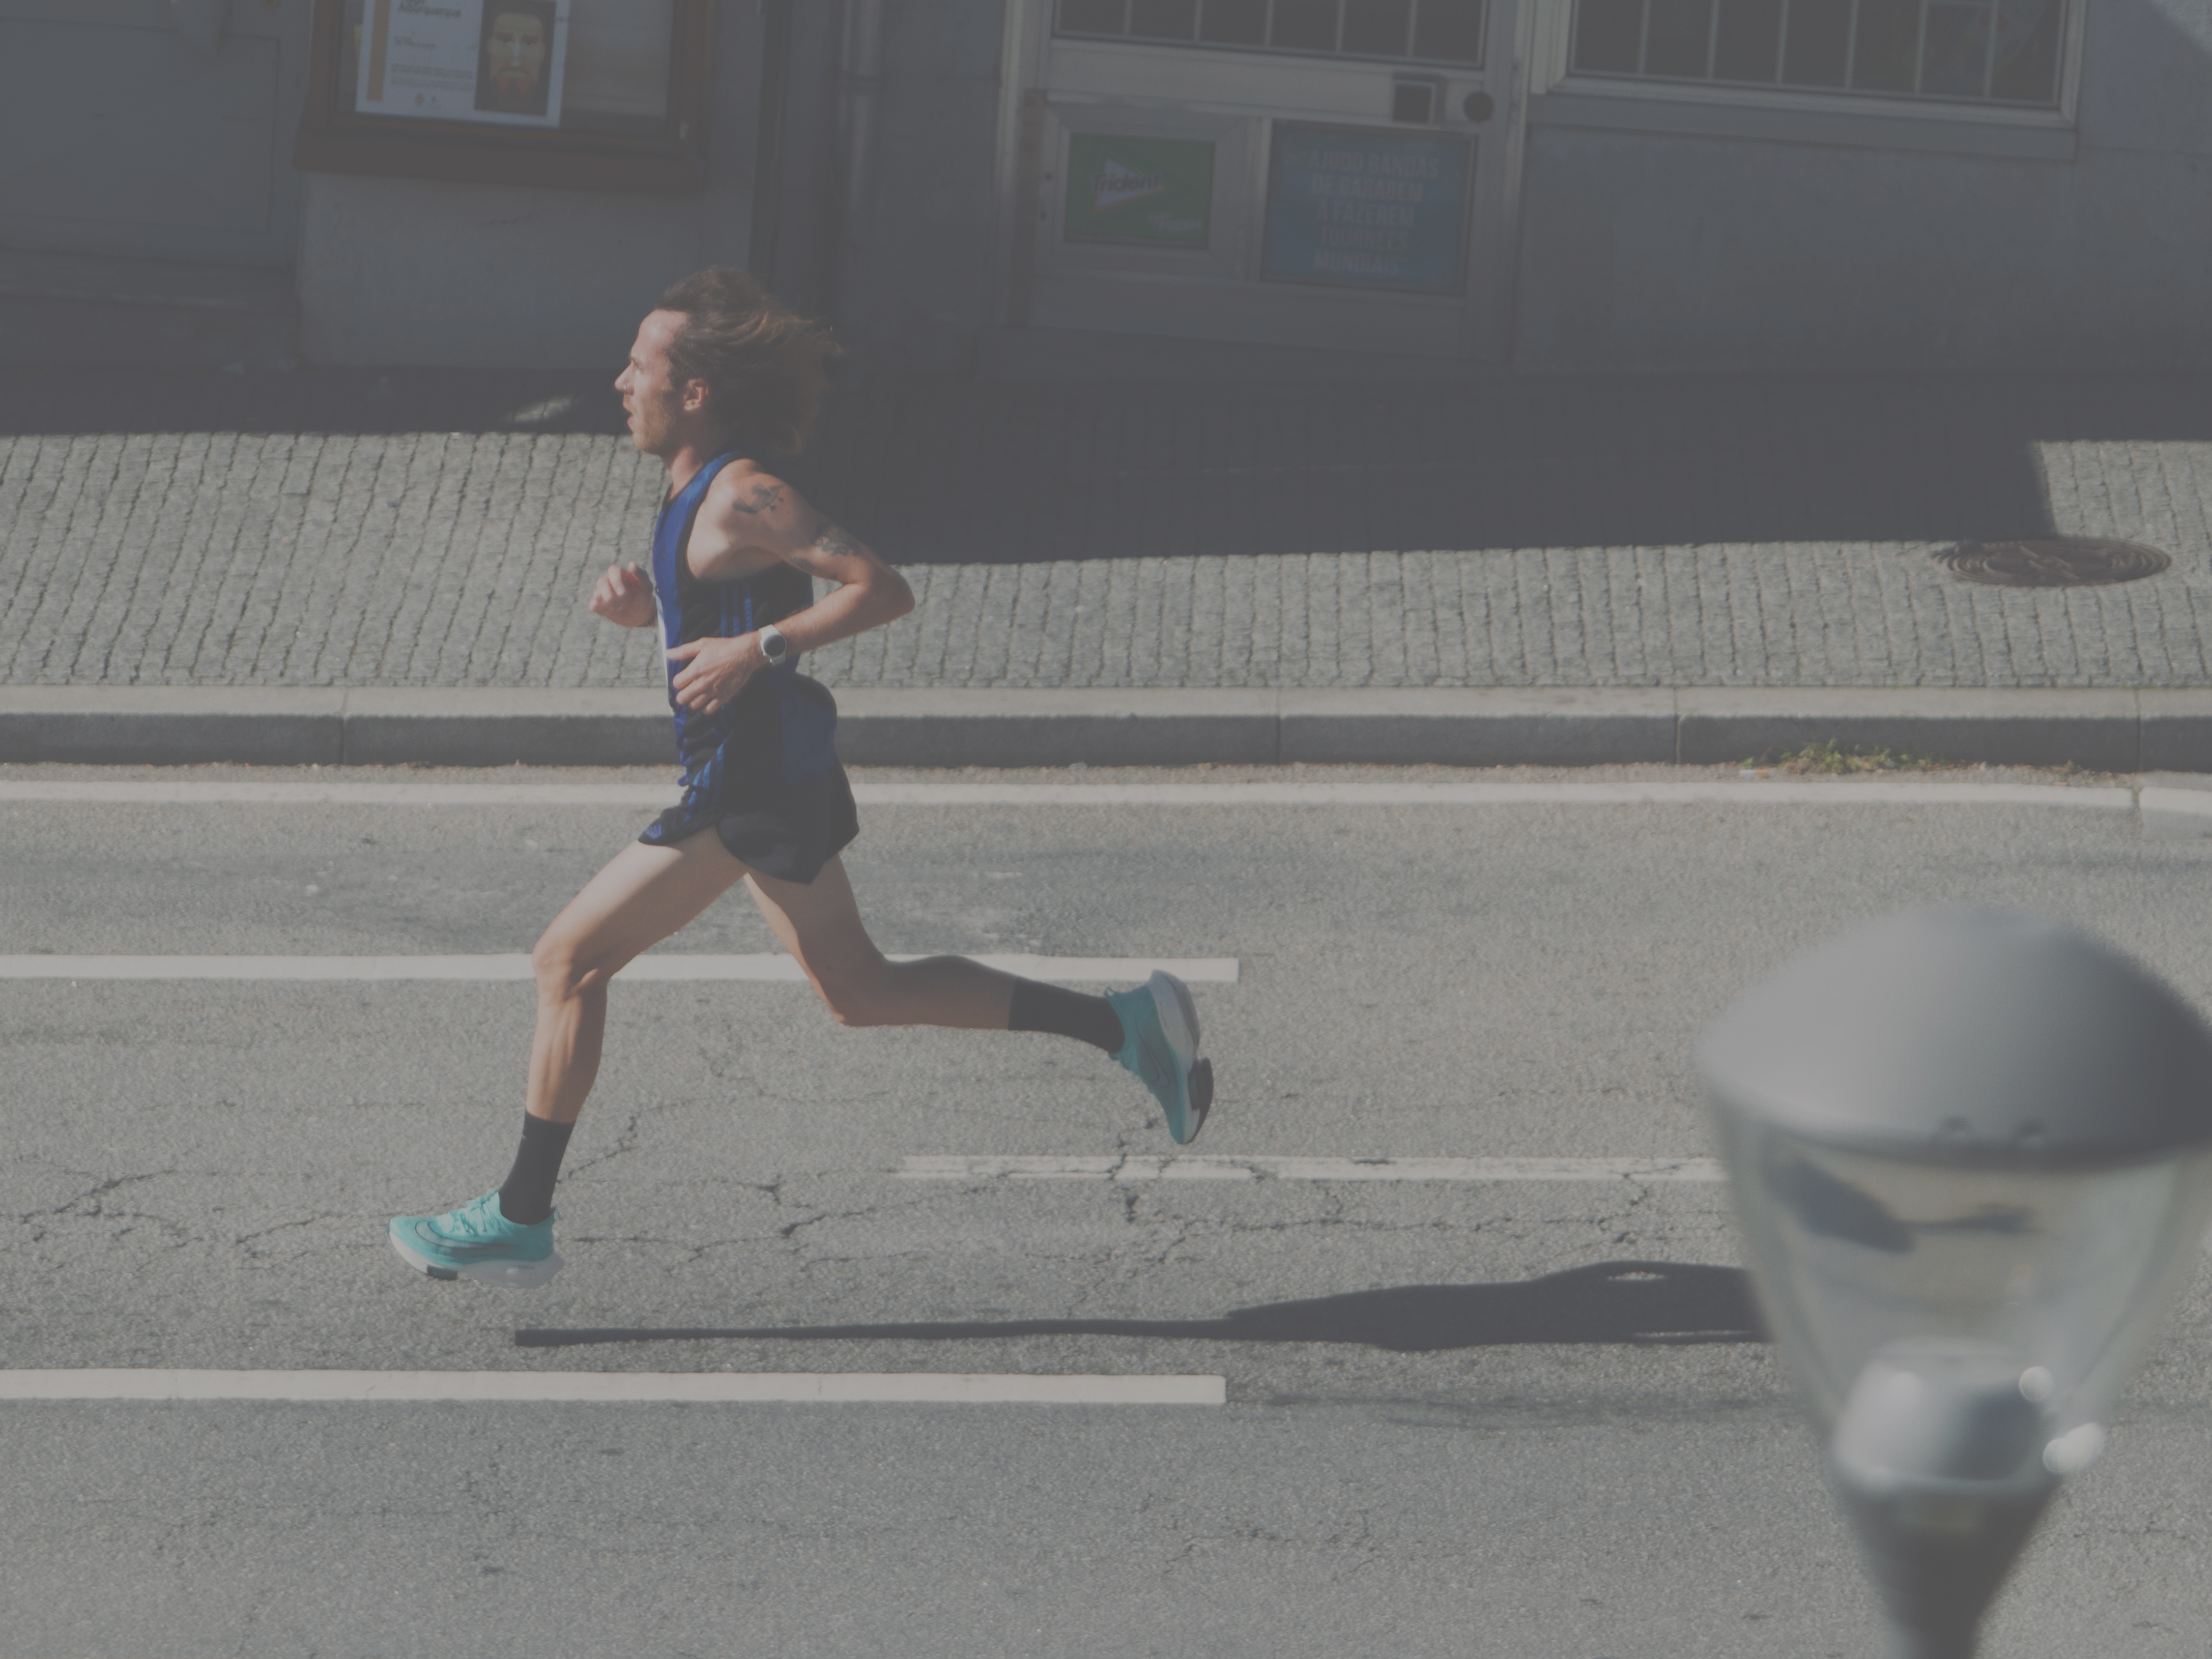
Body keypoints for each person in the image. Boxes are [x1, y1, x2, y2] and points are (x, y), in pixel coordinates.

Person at [388, 269, 1213, 1289]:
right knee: (859, 989)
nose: (618, 381)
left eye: (638, 366)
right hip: (772, 769)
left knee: (568, 962)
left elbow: (882, 588)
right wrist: (654, 615)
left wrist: (761, 649)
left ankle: (519, 1216)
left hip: (748, 781)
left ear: (692, 391)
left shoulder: (744, 491)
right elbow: (727, 611)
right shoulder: (697, 495)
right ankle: (1124, 1024)